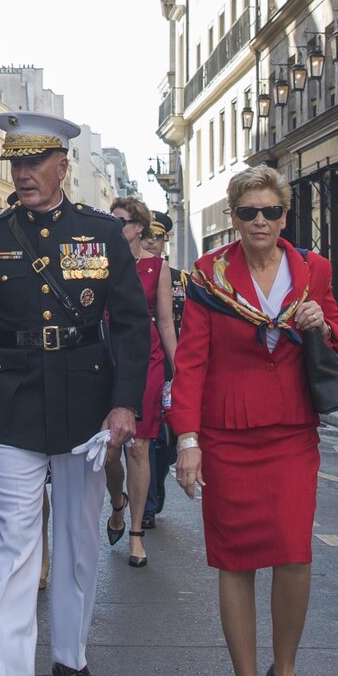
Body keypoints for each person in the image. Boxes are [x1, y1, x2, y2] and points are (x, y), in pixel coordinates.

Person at [0, 112, 150, 676]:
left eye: (36, 162)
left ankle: (70, 655)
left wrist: (124, 404)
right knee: (16, 545)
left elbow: (131, 325)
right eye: (16, 163)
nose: (24, 174)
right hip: (12, 403)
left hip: (86, 405)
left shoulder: (98, 234)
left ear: (63, 167)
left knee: (78, 539)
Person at [170, 166, 338, 676]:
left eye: (271, 211)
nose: (261, 222)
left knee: (295, 554)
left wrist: (321, 321)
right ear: (234, 218)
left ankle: (286, 670)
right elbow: (192, 361)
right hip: (227, 431)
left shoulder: (311, 268)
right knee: (236, 560)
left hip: (292, 429)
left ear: (285, 216)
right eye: (249, 213)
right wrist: (188, 440)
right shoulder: (208, 274)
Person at [103, 196, 180, 568]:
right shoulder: (97, 265)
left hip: (146, 359)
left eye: (120, 222)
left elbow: (165, 322)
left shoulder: (156, 268)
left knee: (139, 446)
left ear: (137, 227)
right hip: (104, 358)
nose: (115, 228)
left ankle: (135, 532)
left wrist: (179, 371)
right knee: (108, 451)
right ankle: (117, 503)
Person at [143, 210, 181, 528]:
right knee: (149, 435)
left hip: (174, 363)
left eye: (156, 237)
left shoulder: (181, 279)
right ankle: (148, 501)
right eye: (146, 237)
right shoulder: (137, 272)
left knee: (169, 442)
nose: (151, 243)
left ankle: (158, 484)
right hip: (149, 360)